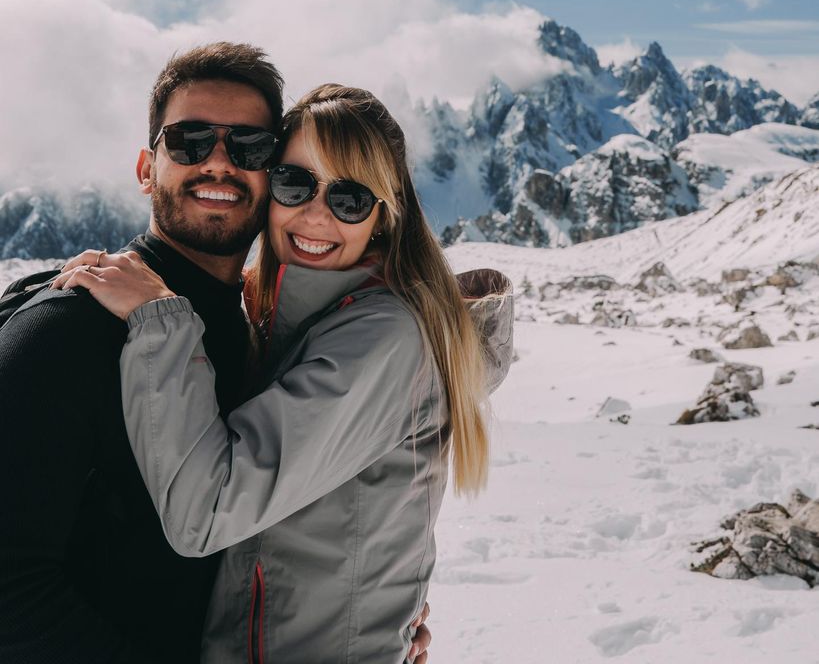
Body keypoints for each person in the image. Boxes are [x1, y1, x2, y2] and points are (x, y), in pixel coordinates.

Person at [0, 44, 433, 664]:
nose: (220, 163)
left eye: (251, 147)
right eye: (190, 141)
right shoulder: (69, 327)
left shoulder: (256, 342)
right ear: (148, 168)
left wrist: (365, 609)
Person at [58, 83, 514, 663]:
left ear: (383, 216)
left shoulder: (384, 341)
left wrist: (158, 317)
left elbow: (207, 512)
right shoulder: (299, 323)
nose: (316, 215)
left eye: (350, 198)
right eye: (295, 184)